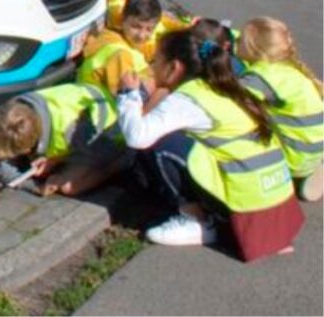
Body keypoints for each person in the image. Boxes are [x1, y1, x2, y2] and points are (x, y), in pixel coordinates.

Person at [117, 29, 303, 260]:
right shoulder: (222, 85)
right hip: (276, 205)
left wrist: (129, 94)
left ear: (174, 67)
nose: (152, 66)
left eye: (156, 60)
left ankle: (198, 222)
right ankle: (207, 215)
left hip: (246, 208)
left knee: (159, 142)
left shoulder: (188, 98)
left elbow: (138, 136)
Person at [0, 82, 126, 197]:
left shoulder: (72, 132)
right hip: (78, 116)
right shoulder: (10, 114)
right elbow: (3, 169)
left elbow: (90, 152)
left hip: (108, 134)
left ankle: (123, 162)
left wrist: (55, 160)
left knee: (68, 187)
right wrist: (34, 187)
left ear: (27, 148)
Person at [236, 17, 323, 202]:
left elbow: (228, 100)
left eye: (241, 40)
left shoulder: (260, 78)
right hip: (314, 147)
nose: (237, 42)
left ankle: (278, 176)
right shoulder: (292, 71)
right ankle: (310, 168)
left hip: (291, 158)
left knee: (236, 125)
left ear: (254, 48)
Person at [78, 0, 158, 97]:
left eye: (149, 29)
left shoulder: (110, 36)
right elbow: (126, 98)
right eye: (136, 27)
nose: (141, 35)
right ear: (122, 20)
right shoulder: (120, 54)